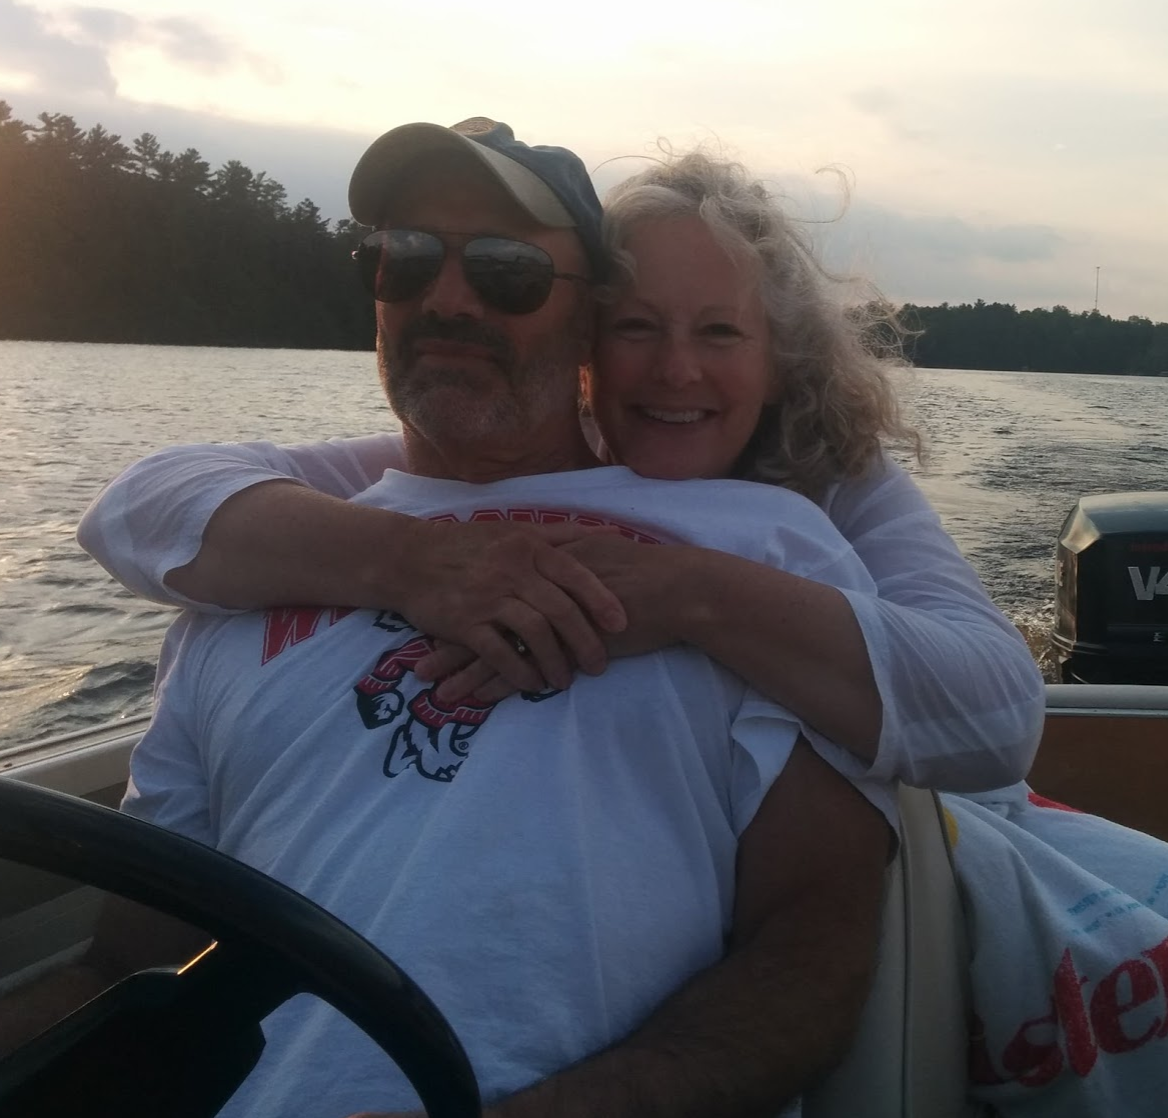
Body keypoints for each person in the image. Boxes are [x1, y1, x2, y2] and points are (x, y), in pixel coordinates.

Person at [7, 118, 894, 1118]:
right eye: (405, 258)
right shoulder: (249, 572)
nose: (447, 297)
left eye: (508, 270)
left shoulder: (753, 547)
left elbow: (815, 942)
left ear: (592, 314)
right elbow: (131, 956)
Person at [77, 159, 1046, 795]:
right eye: (635, 327)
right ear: (585, 343)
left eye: (718, 331)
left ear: (780, 360)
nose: (675, 371)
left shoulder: (829, 482)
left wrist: (684, 591)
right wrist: (409, 561)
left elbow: (995, 713)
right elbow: (140, 506)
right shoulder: (499, 470)